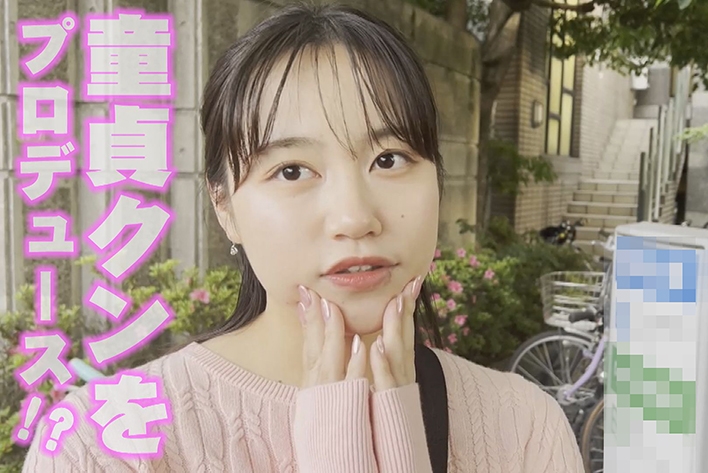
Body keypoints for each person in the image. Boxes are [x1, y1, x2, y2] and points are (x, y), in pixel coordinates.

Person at [23, 3, 584, 472]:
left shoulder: (523, 429)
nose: (355, 218)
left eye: (389, 159)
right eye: (291, 170)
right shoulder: (103, 446)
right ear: (225, 208)